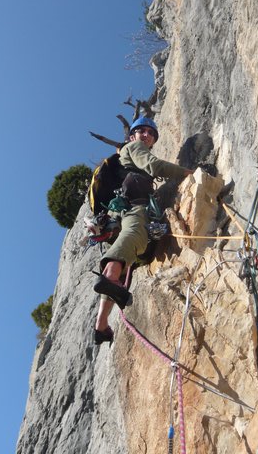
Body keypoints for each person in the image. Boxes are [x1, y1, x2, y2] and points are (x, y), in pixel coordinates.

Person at [93, 116, 193, 345]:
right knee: (135, 234)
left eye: (150, 132)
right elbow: (154, 166)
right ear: (132, 136)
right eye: (141, 131)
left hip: (118, 211)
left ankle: (101, 323)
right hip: (133, 201)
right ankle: (109, 278)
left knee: (122, 260)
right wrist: (189, 173)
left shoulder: (125, 157)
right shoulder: (134, 147)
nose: (146, 135)